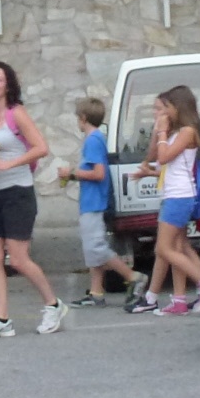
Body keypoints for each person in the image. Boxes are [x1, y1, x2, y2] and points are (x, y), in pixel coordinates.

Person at [0, 60, 66, 338]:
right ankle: (1, 318)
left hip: (17, 192)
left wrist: (9, 164)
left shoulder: (16, 114)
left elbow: (41, 148)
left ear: (8, 85)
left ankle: (53, 305)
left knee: (19, 260)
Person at [134, 85, 200, 316]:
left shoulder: (187, 132)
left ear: (178, 107)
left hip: (179, 197)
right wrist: (158, 131)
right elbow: (155, 156)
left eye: (166, 107)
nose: (162, 113)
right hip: (174, 194)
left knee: (163, 249)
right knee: (177, 247)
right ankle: (179, 300)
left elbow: (164, 157)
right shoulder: (175, 133)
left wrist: (163, 133)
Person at [58, 96, 144, 309]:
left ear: (83, 118)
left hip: (93, 202)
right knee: (92, 248)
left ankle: (133, 277)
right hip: (92, 202)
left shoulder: (93, 140)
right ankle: (96, 292)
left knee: (96, 247)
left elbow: (98, 173)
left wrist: (72, 174)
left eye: (77, 118)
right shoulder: (96, 138)